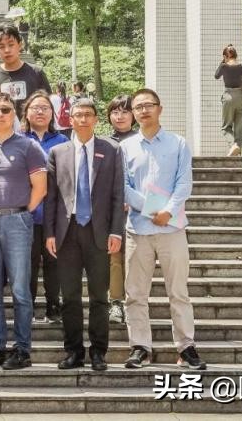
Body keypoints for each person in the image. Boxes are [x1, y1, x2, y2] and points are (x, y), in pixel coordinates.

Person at [121, 88, 205, 370]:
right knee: (135, 293)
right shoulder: (125, 147)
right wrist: (151, 209)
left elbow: (184, 182)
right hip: (138, 229)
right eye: (138, 107)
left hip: (173, 228)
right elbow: (123, 187)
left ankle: (186, 346)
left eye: (149, 105)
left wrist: (167, 210)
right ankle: (140, 347)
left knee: (178, 291)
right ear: (133, 113)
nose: (144, 110)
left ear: (160, 108)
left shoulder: (178, 143)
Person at [44, 98, 125, 372]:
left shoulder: (111, 150)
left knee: (100, 296)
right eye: (77, 115)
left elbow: (117, 195)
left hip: (98, 232)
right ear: (70, 119)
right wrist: (50, 233)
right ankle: (74, 351)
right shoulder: (58, 152)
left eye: (88, 115)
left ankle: (99, 352)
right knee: (70, 296)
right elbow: (51, 197)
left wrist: (116, 231)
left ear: (96, 119)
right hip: (67, 232)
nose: (82, 120)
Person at [0, 92, 47, 370]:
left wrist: (20, 211)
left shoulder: (28, 147)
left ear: (14, 113)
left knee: (20, 289)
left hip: (18, 221)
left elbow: (40, 187)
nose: (0, 114)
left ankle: (22, 349)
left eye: (5, 109)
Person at [20, 91, 67, 324]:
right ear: (26, 112)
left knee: (53, 262)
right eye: (35, 107)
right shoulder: (17, 139)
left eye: (45, 108)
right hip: (25, 212)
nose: (40, 111)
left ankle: (53, 306)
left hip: (54, 214)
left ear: (52, 113)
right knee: (26, 262)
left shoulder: (63, 142)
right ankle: (27, 307)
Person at [105, 94, 136, 325]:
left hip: (139, 211)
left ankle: (134, 302)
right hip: (112, 211)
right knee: (114, 257)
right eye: (115, 112)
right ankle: (115, 302)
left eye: (125, 111)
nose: (120, 116)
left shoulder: (142, 140)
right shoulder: (105, 143)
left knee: (135, 259)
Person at [0, 23, 51, 114]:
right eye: (1, 46)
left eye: (11, 45)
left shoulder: (36, 73)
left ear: (20, 45)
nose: (7, 50)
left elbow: (48, 104)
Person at [215, 44, 242, 156]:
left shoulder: (224, 66)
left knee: (226, 127)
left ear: (225, 56)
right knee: (239, 128)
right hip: (241, 98)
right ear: (236, 55)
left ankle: (233, 145)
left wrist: (223, 62)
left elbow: (216, 75)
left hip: (229, 96)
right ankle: (238, 150)